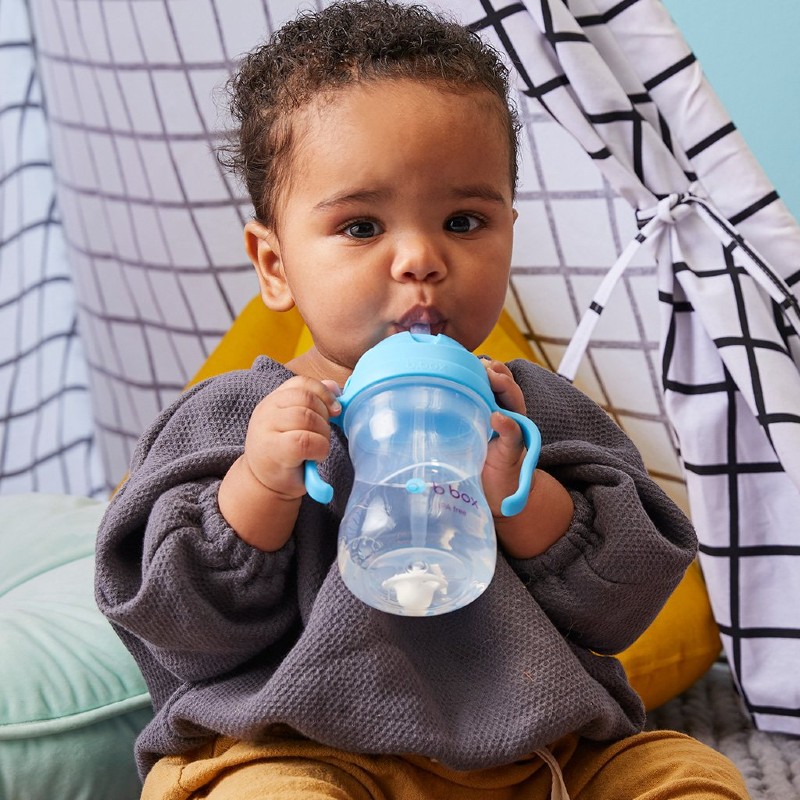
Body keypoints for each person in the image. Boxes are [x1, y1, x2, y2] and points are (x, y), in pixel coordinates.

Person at [95, 2, 749, 798]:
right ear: (274, 263)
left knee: (685, 773)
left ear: (510, 227)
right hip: (295, 748)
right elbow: (174, 625)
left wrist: (523, 497)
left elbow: (626, 600)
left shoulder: (532, 410)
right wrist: (259, 488)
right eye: (363, 226)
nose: (420, 259)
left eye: (464, 219)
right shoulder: (234, 417)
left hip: (540, 760)